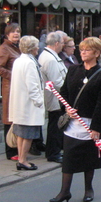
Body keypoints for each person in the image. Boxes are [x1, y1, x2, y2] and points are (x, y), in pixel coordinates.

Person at [50, 37, 101, 202]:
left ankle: (88, 188)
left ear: (97, 53)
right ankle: (64, 191)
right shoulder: (73, 70)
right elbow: (64, 93)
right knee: (69, 157)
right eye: (81, 49)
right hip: (72, 123)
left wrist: (97, 128)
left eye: (87, 50)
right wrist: (66, 108)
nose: (82, 52)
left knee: (89, 158)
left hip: (91, 123)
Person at [8, 36, 44, 171]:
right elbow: (32, 85)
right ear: (32, 48)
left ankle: (21, 158)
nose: (38, 48)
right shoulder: (29, 63)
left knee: (21, 134)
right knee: (27, 135)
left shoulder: (19, 60)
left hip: (20, 104)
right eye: (36, 45)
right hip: (29, 105)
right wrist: (39, 102)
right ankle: (23, 160)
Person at [0, 23, 21, 161]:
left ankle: (17, 147)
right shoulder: (4, 48)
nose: (16, 34)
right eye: (13, 32)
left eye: (18, 31)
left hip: (19, 88)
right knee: (9, 119)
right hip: (10, 88)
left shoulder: (17, 47)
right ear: (7, 34)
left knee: (16, 118)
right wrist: (14, 75)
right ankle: (10, 151)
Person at [38, 31, 67, 163]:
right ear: (56, 43)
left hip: (56, 98)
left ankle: (54, 151)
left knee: (56, 125)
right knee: (55, 126)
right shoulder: (50, 59)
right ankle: (53, 153)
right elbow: (57, 82)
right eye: (62, 43)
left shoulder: (50, 56)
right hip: (56, 99)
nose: (63, 46)